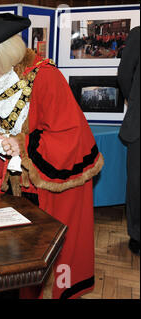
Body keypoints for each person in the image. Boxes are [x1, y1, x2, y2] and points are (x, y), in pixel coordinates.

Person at [0, 13, 104, 299]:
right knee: (16, 247)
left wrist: (21, 144)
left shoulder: (46, 76)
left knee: (52, 246)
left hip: (51, 177)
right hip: (12, 178)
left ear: (3, 54)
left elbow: (68, 133)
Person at [117, 26, 140, 256]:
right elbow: (124, 74)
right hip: (139, 125)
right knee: (137, 182)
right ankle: (137, 235)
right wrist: (134, 100)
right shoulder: (138, 35)